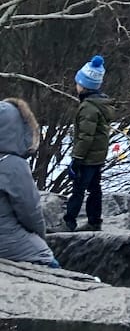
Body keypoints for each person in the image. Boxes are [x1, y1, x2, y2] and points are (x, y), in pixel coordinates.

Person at [0, 98, 59, 267]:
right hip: (7, 242)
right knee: (48, 259)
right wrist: (40, 238)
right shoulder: (13, 165)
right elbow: (30, 212)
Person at [64, 54, 114, 232]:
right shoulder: (100, 104)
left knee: (78, 189)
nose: (75, 86)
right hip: (97, 156)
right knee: (95, 188)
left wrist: (77, 158)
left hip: (87, 158)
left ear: (84, 85)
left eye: (77, 82)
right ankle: (94, 220)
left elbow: (86, 136)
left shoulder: (88, 108)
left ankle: (69, 221)